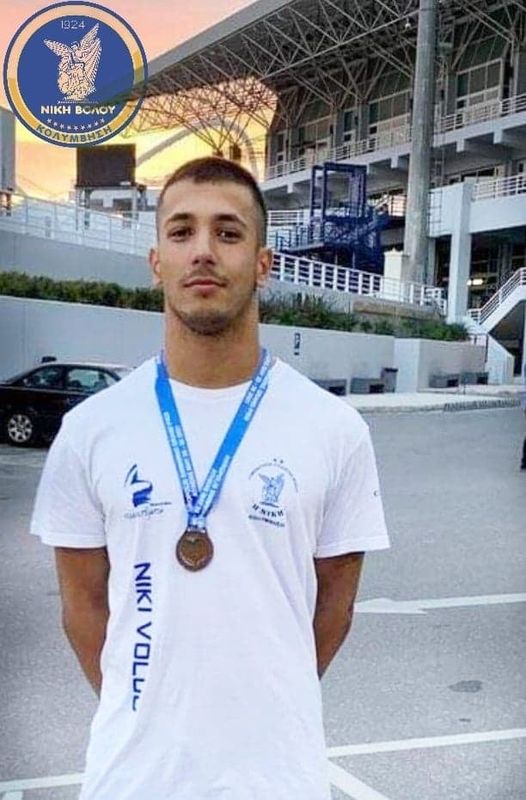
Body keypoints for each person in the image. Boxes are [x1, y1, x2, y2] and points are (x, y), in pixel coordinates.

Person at [30, 157, 390, 800]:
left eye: (228, 232)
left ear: (262, 263)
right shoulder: (91, 430)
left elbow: (334, 608)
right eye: (181, 231)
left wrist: (267, 706)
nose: (203, 251)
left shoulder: (334, 429)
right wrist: (146, 709)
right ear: (156, 262)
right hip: (131, 779)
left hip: (278, 779)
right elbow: (82, 610)